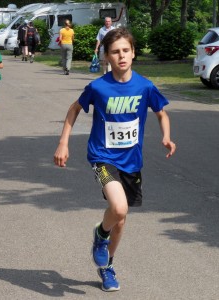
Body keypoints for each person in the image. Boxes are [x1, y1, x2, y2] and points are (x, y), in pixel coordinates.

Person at [54, 28, 176, 292]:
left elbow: (161, 113)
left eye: (125, 50)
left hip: (131, 162)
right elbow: (74, 109)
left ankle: (107, 266)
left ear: (133, 53)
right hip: (102, 157)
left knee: (120, 220)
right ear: (106, 56)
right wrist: (63, 142)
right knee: (119, 209)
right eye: (115, 52)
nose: (121, 56)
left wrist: (166, 136)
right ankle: (100, 236)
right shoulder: (98, 87)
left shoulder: (144, 86)